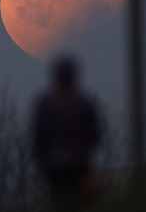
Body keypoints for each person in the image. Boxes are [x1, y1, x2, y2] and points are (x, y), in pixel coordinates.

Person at [32, 55, 101, 210]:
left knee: (59, 203)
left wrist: (41, 160)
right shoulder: (83, 103)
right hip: (79, 164)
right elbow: (95, 135)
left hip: (54, 167)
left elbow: (39, 137)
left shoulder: (45, 104)